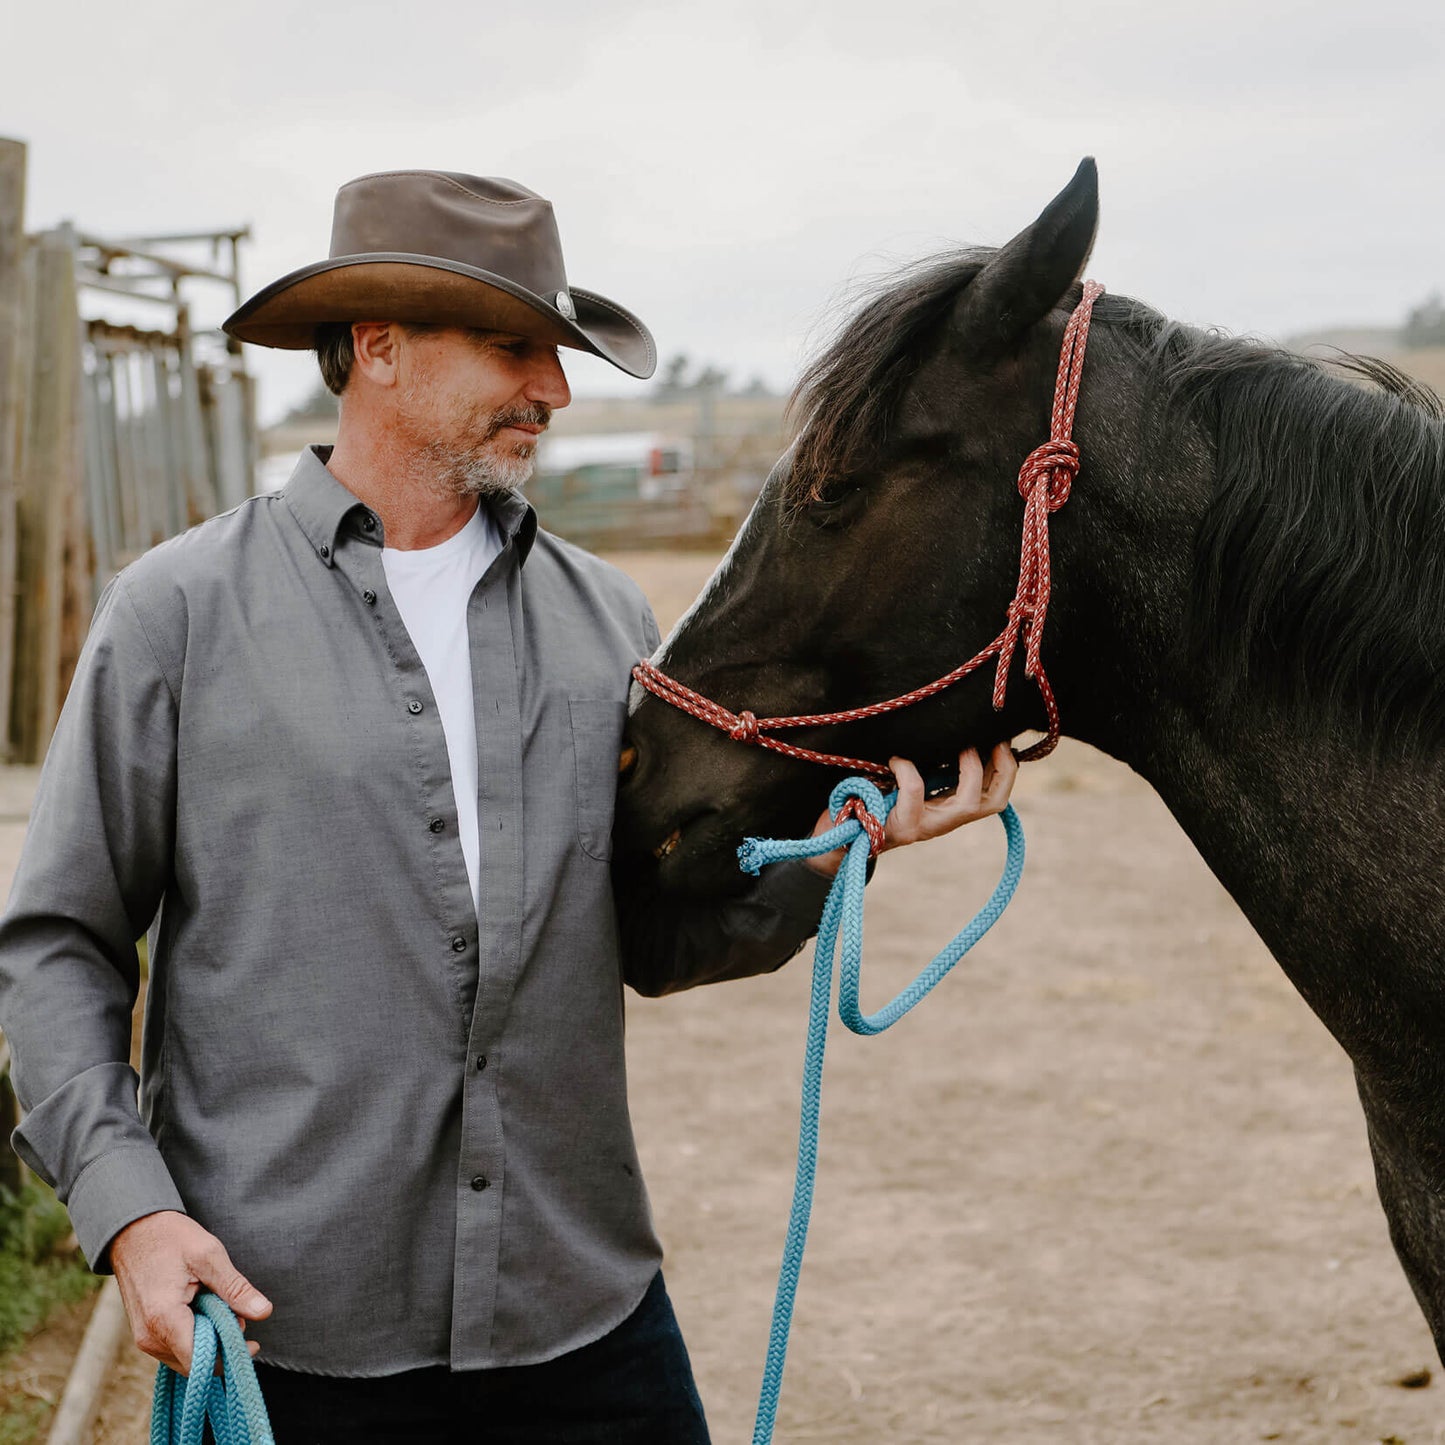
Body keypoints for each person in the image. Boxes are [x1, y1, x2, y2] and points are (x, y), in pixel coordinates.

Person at [0, 170, 1017, 1443]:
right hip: (287, 1327)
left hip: (581, 1313)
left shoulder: (611, 621)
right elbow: (58, 946)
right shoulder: (177, 613)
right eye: (512, 346)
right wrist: (132, 1212)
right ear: (377, 345)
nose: (554, 387)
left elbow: (649, 937)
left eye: (557, 350)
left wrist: (831, 855)